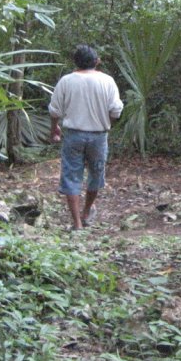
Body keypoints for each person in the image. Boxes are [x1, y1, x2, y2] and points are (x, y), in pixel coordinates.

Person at [49, 44, 124, 231]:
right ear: (97, 61)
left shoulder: (66, 81)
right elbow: (116, 111)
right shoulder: (107, 81)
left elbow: (55, 110)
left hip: (73, 135)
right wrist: (105, 121)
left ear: (75, 62)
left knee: (71, 176)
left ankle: (77, 223)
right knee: (95, 174)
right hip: (99, 136)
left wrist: (54, 129)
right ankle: (87, 210)